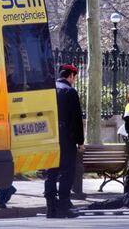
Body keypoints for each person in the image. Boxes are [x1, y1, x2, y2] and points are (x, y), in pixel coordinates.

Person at [44, 64, 85, 218]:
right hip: (66, 138)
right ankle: (63, 204)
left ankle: (50, 206)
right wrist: (80, 141)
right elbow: (76, 119)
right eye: (75, 77)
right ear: (71, 76)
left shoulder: (49, 89)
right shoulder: (70, 91)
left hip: (49, 136)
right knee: (67, 172)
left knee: (51, 172)